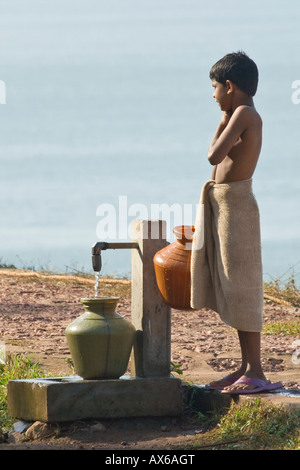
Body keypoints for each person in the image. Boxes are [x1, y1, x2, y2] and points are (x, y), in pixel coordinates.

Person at [190, 51, 282, 394]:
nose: (213, 95)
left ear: (230, 86)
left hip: (238, 207)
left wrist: (223, 120)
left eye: (215, 87)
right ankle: (245, 366)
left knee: (242, 286)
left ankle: (256, 370)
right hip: (225, 205)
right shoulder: (239, 112)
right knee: (230, 282)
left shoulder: (244, 114)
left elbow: (213, 155)